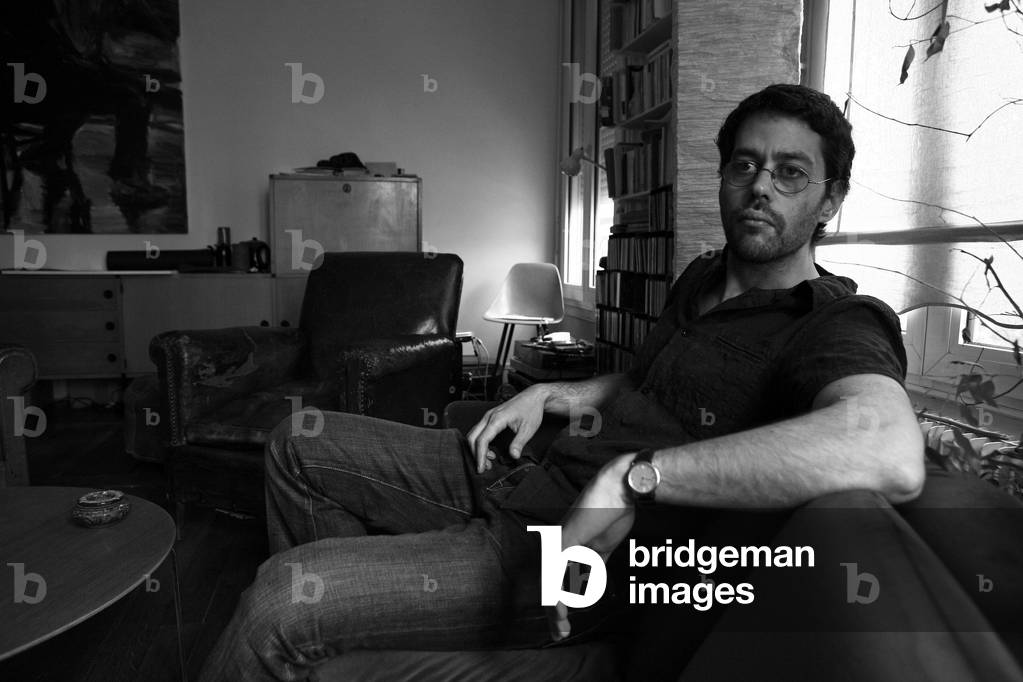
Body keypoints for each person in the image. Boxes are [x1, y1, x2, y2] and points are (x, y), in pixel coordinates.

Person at [198, 83, 924, 681]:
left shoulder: (834, 320)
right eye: (744, 165)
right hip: (525, 471)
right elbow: (645, 381)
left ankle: (343, 627)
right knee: (298, 441)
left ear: (828, 202)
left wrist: (634, 478)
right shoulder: (701, 277)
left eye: (790, 173)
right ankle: (351, 642)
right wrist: (558, 394)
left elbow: (885, 449)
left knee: (278, 604)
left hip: (568, 550)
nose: (760, 186)